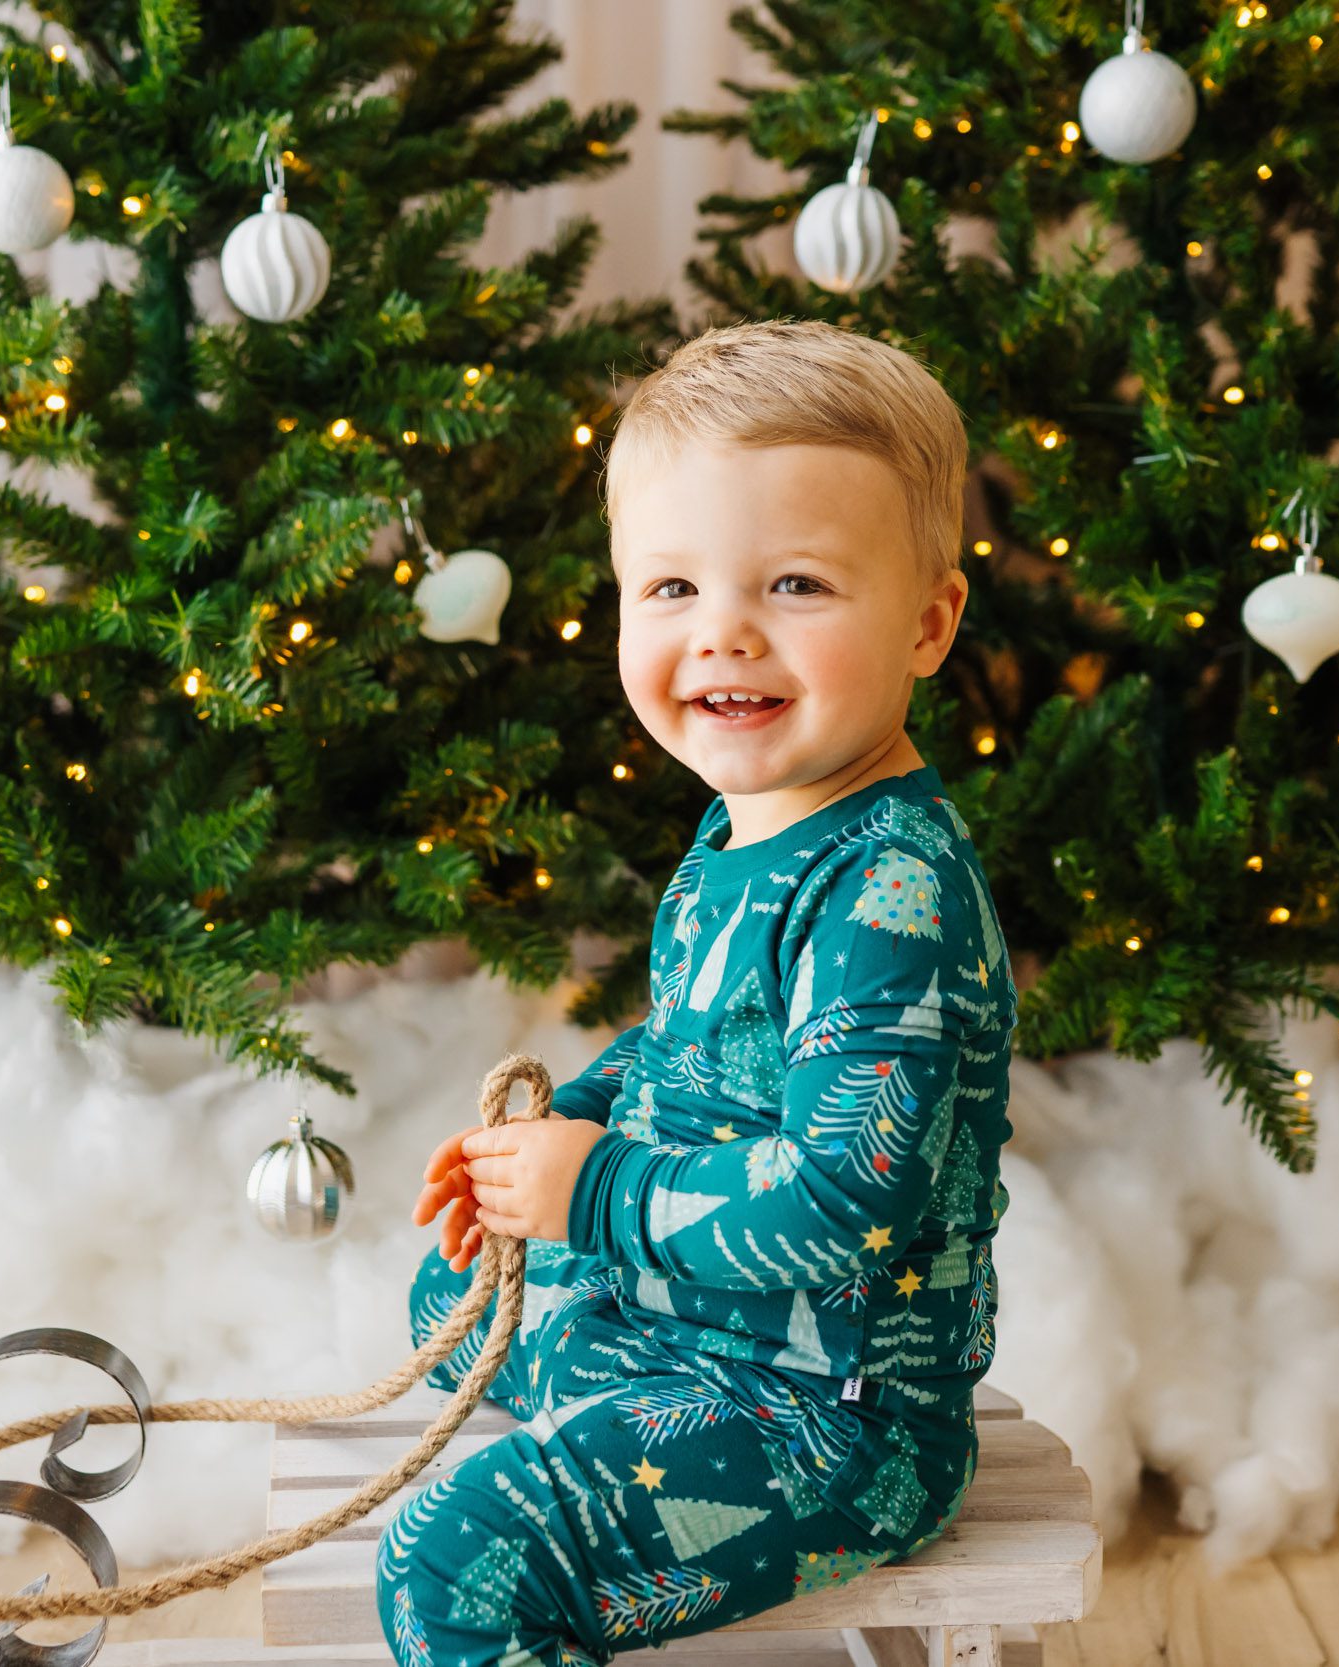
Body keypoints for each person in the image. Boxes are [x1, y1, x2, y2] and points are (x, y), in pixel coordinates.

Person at [377, 319, 1016, 1667]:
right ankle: (595, 1414)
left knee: (456, 1563)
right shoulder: (747, 824)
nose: (724, 632)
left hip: (828, 1417)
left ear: (928, 623)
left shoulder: (886, 891)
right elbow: (691, 1051)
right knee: (455, 1319)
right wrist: (549, 1150)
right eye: (670, 588)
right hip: (702, 1333)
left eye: (794, 584)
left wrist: (597, 1189)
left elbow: (843, 1204)